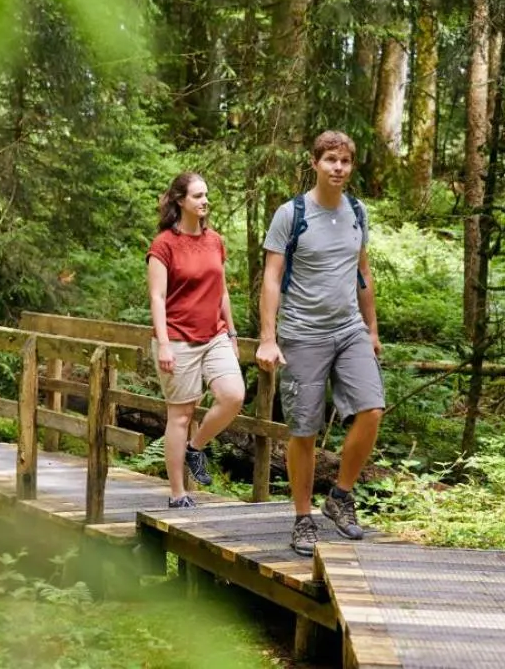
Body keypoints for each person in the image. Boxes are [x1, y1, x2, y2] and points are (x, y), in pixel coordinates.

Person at [255, 131, 385, 556]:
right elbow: (272, 278)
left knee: (372, 409)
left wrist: (372, 329)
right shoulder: (291, 214)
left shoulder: (357, 212)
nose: (338, 168)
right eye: (330, 159)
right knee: (305, 430)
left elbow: (362, 272)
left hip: (349, 329)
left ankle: (340, 497)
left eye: (344, 161)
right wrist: (268, 338)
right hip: (302, 333)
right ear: (315, 163)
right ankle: (302, 519)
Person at [146, 172, 246, 509]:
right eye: (197, 196)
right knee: (180, 415)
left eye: (206, 195)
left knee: (233, 395)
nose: (205, 201)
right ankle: (177, 493)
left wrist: (231, 332)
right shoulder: (163, 245)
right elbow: (157, 297)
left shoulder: (215, 240)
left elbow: (222, 291)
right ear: (180, 200)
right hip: (177, 338)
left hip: (214, 334)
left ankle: (195, 447)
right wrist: (163, 343)